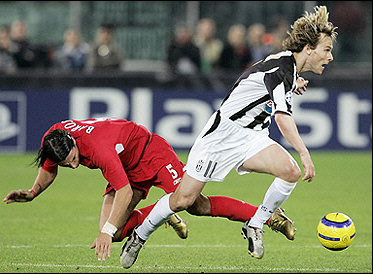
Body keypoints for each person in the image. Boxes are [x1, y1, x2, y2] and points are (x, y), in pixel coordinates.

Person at [120, 5, 337, 268]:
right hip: (221, 137)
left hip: (251, 137)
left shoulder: (285, 67)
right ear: (309, 48)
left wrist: (293, 82)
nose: (330, 56)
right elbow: (282, 117)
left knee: (289, 171)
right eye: (326, 49)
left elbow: (259, 76)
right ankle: (140, 235)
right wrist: (305, 154)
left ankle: (255, 225)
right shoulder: (283, 68)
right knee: (184, 201)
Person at [3, 117, 296, 263]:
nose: (76, 166)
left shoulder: (101, 150)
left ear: (77, 144)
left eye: (75, 159)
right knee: (115, 233)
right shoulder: (54, 141)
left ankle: (267, 216)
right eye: (69, 164)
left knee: (196, 204)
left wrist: (104, 230)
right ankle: (162, 213)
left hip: (151, 154)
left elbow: (125, 192)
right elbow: (49, 167)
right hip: (127, 165)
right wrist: (32, 193)